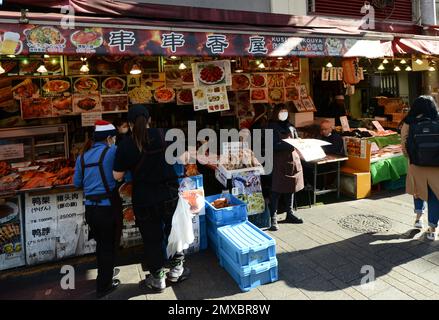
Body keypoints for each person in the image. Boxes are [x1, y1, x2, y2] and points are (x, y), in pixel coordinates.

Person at [113, 104, 190, 292]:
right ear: (149, 120)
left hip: (145, 198)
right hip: (169, 195)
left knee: (152, 238)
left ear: (130, 124)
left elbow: (117, 176)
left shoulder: (126, 145)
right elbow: (184, 159)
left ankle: (157, 279)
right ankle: (177, 270)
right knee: (174, 232)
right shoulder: (165, 134)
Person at [73, 120, 122, 298]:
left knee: (101, 245)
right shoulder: (113, 152)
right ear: (109, 138)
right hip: (107, 209)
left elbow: (77, 183)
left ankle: (106, 274)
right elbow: (122, 174)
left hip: (91, 211)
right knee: (108, 246)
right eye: (114, 138)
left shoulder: (82, 157)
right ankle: (104, 285)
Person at [401, 95, 439, 240]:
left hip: (416, 164)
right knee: (435, 197)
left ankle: (418, 219)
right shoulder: (437, 119)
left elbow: (404, 147)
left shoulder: (409, 122)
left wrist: (412, 157)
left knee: (418, 191)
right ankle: (432, 230)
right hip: (436, 166)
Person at [267, 104, 304, 231]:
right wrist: (289, 144)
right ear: (276, 113)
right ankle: (273, 218)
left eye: (285, 111)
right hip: (278, 161)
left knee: (291, 187)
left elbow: (296, 139)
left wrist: (300, 142)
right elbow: (271, 145)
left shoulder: (291, 126)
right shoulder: (270, 127)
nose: (284, 113)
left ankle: (290, 213)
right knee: (276, 190)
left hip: (293, 160)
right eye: (281, 111)